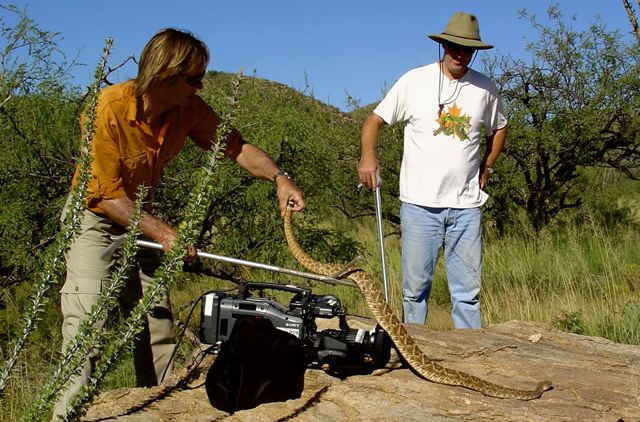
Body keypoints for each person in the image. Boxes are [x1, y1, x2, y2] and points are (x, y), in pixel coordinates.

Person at [53, 28, 305, 419]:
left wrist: (279, 178)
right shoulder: (108, 108)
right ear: (163, 74)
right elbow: (103, 194)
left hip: (142, 217)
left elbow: (235, 148)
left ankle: (161, 409)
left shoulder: (189, 109)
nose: (200, 85)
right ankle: (66, 415)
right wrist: (164, 232)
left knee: (156, 323)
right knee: (87, 325)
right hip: (97, 219)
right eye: (192, 78)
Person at [358, 12, 507, 329]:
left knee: (467, 295)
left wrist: (488, 166)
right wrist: (368, 157)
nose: (459, 53)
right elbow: (374, 121)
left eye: (466, 49)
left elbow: (500, 127)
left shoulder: (486, 89)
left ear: (474, 51)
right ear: (443, 45)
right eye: (453, 46)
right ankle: (415, 359)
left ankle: (470, 363)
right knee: (414, 293)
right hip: (419, 205)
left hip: (466, 206)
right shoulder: (414, 81)